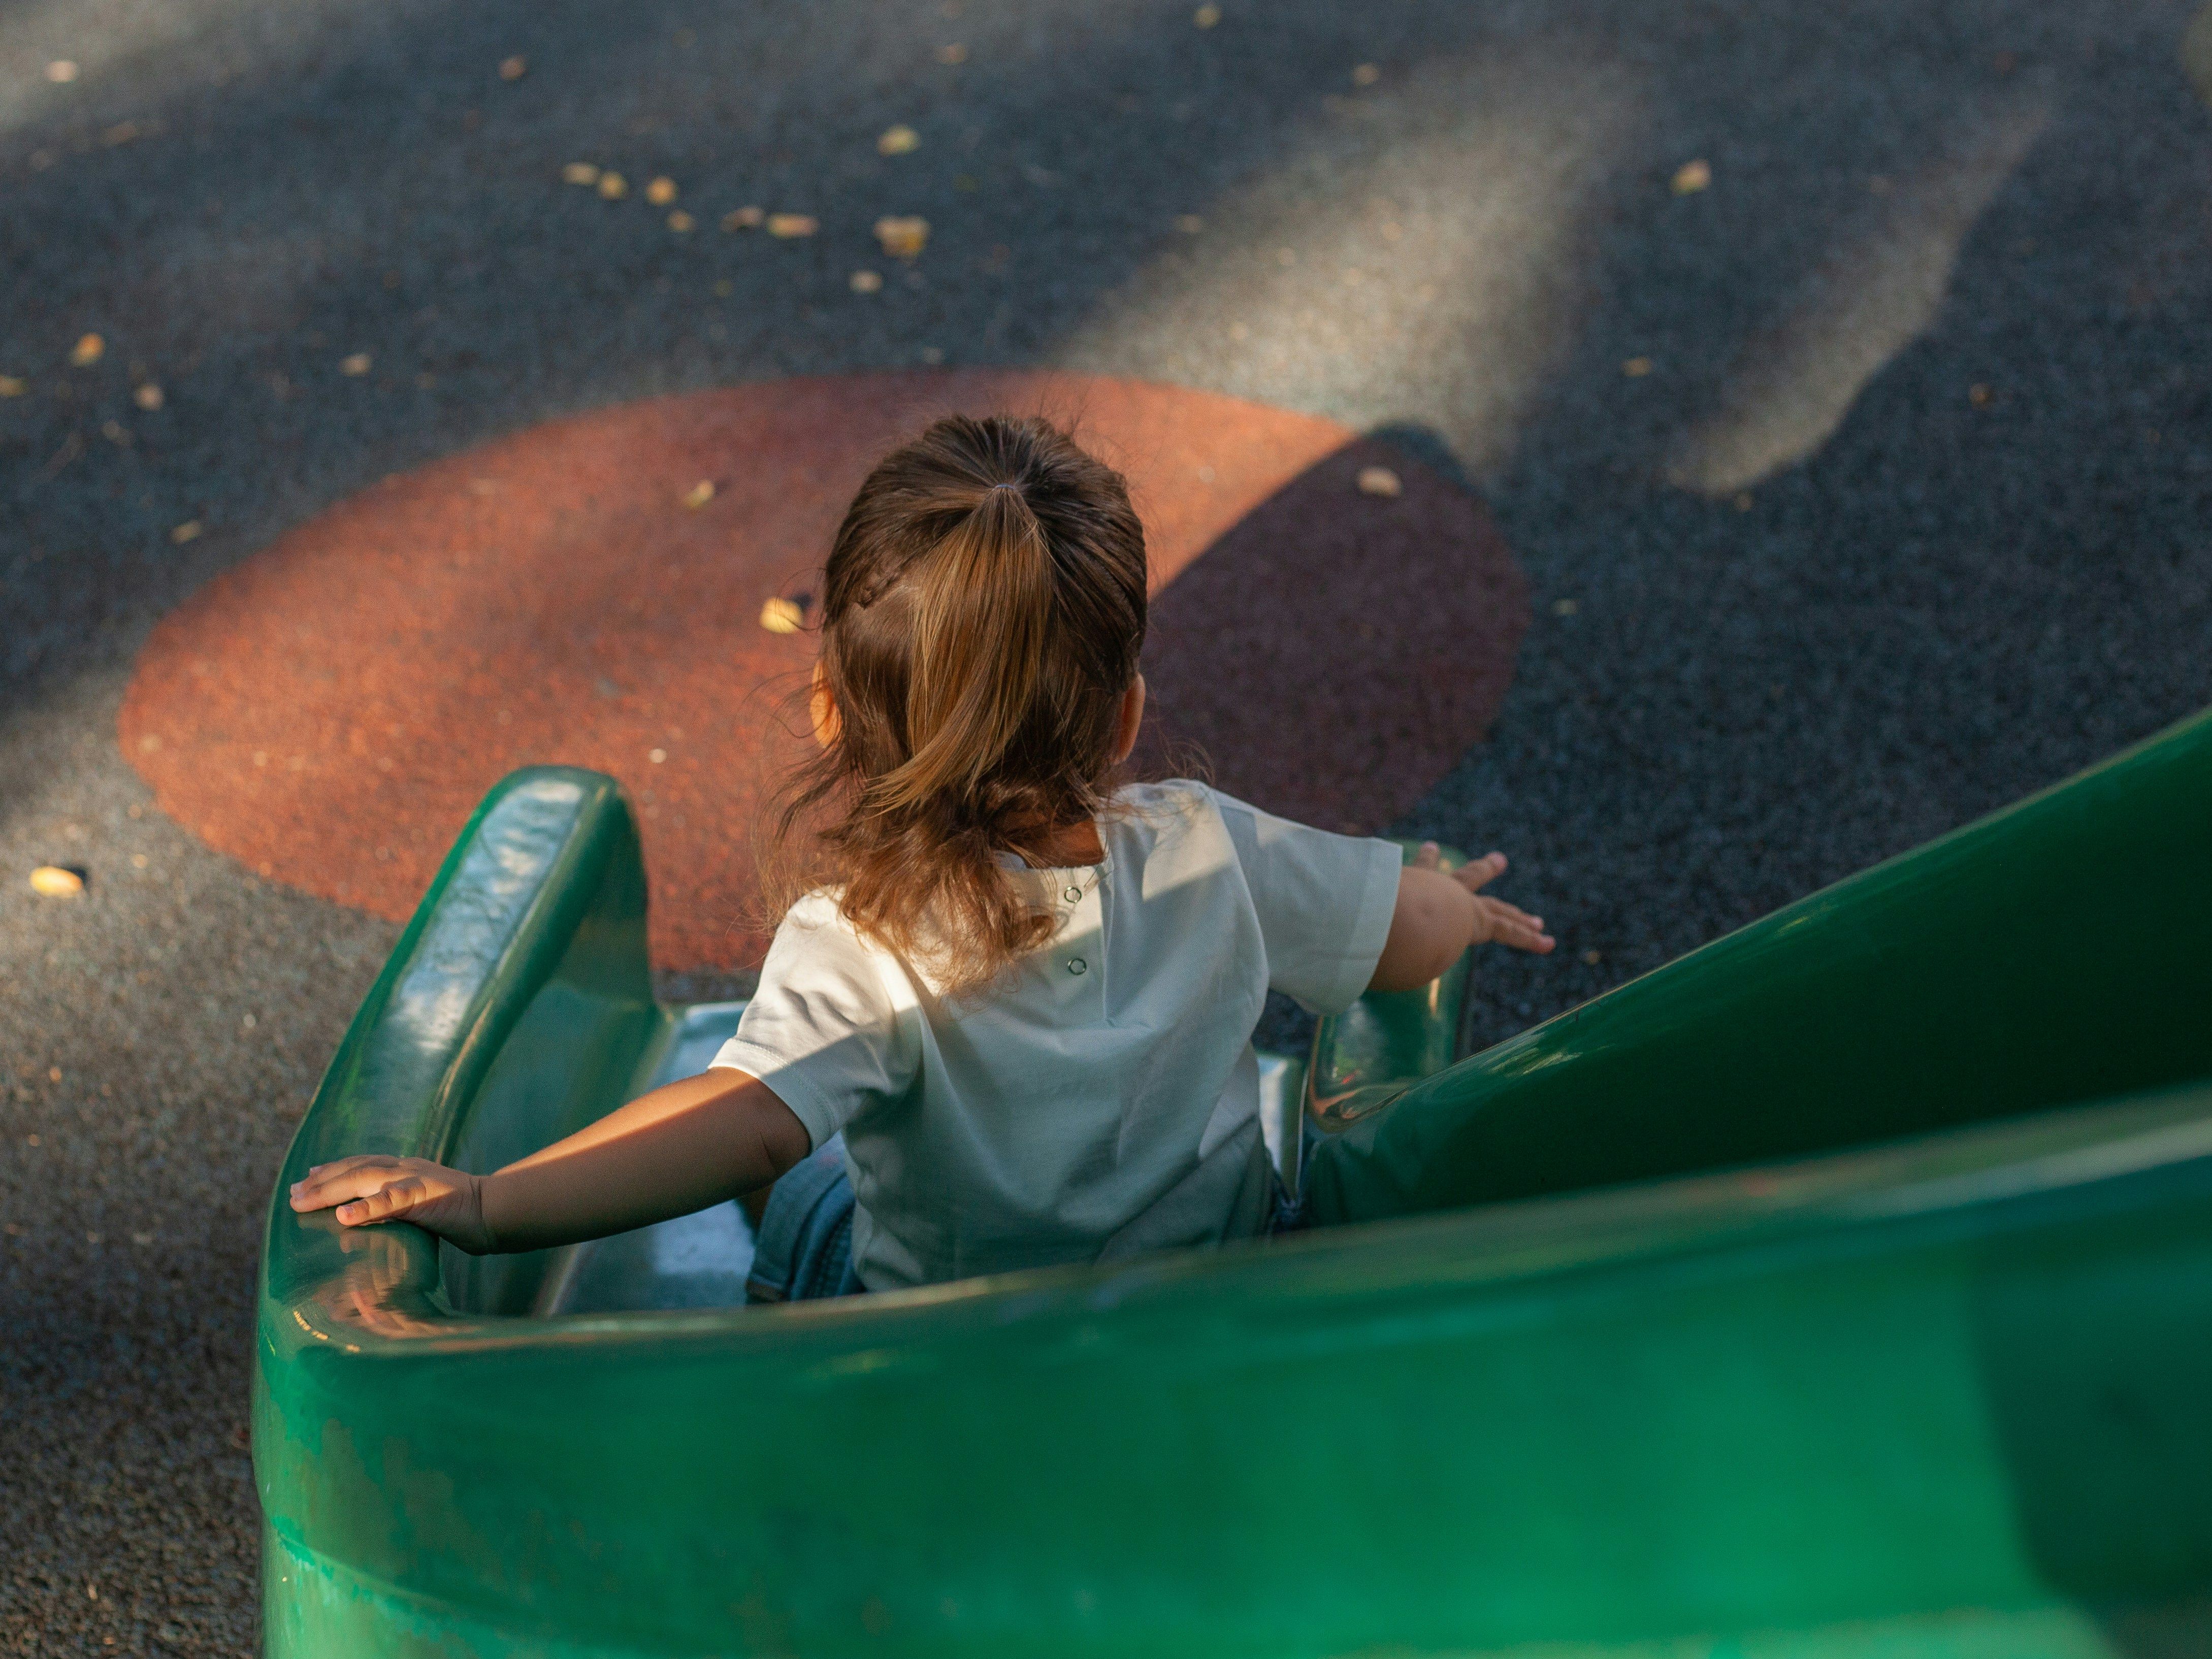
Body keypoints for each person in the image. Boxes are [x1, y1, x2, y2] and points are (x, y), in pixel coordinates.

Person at [289, 414, 1553, 1298]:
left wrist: (492, 1200)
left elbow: (740, 1126)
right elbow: (1406, 938)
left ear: (833, 713)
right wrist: (1454, 900)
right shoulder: (1207, 846)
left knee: (803, 1186)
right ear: (1124, 715)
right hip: (1199, 1315)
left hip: (944, 1357)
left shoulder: (863, 942)